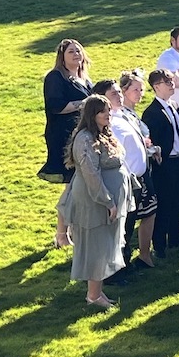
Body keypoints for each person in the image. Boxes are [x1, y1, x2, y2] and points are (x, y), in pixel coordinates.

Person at [61, 95, 128, 308]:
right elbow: (91, 174)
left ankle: (98, 292)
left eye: (108, 110)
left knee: (104, 244)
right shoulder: (85, 138)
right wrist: (108, 201)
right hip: (94, 201)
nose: (108, 114)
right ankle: (93, 295)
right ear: (92, 115)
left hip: (106, 197)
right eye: (102, 111)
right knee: (96, 246)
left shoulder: (103, 133)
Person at [142, 68, 179, 257]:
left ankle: (176, 237)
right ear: (156, 87)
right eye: (168, 82)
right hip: (166, 164)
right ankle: (159, 244)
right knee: (164, 203)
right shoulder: (152, 112)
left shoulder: (173, 105)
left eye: (172, 81)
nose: (172, 85)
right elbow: (152, 140)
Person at [115, 72, 159, 269]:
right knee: (131, 219)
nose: (140, 93)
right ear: (124, 91)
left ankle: (144, 253)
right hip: (132, 175)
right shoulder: (120, 115)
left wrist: (152, 149)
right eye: (135, 89)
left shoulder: (132, 114)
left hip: (144, 170)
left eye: (141, 89)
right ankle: (125, 259)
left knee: (150, 211)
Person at [41, 38, 94, 186]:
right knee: (74, 181)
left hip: (85, 133)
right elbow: (55, 106)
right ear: (62, 57)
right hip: (66, 135)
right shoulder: (56, 77)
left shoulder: (85, 79)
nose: (76, 54)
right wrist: (84, 104)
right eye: (71, 51)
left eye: (78, 51)